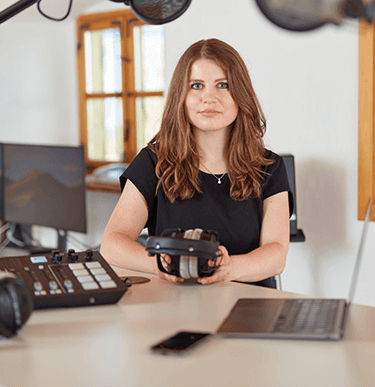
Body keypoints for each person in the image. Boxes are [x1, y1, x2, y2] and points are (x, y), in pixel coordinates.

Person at [100, 38, 292, 288]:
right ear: (181, 95)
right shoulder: (152, 162)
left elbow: (276, 254)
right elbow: (112, 244)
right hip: (173, 305)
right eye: (197, 86)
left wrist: (229, 268)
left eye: (223, 85)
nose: (209, 98)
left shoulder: (269, 167)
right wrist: (159, 264)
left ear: (240, 93)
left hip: (249, 307)